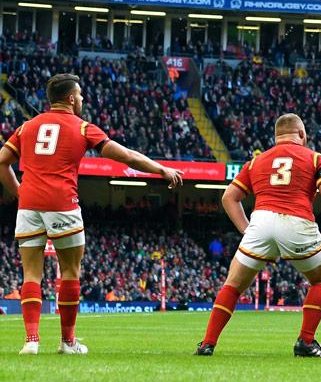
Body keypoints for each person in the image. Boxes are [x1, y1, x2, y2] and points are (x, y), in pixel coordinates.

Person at [0, 73, 184, 355]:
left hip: (29, 207)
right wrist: (161, 169)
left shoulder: (26, 127)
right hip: (63, 203)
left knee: (31, 275)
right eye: (81, 95)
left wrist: (19, 192)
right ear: (71, 98)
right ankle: (68, 342)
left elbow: (2, 162)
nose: (83, 99)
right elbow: (127, 156)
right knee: (71, 272)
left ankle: (31, 341)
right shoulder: (83, 127)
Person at [196, 113, 321, 357]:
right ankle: (306, 342)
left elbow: (228, 197)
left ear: (276, 138)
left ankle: (207, 343)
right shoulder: (315, 157)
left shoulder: (256, 162)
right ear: (302, 135)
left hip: (260, 222)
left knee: (233, 284)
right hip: (297, 221)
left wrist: (246, 230)